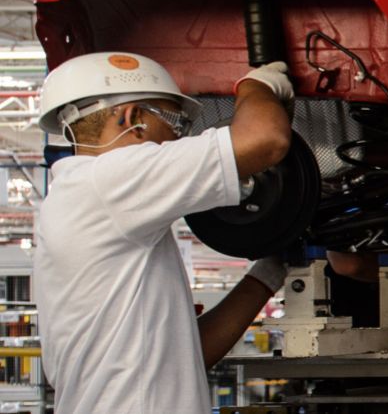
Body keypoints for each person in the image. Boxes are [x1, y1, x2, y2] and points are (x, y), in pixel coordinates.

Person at [32, 53, 295, 414]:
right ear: (131, 118)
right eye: (175, 123)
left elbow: (189, 352)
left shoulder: (82, 199)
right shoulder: (110, 179)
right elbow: (264, 139)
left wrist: (269, 272)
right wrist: (257, 86)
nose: (176, 137)